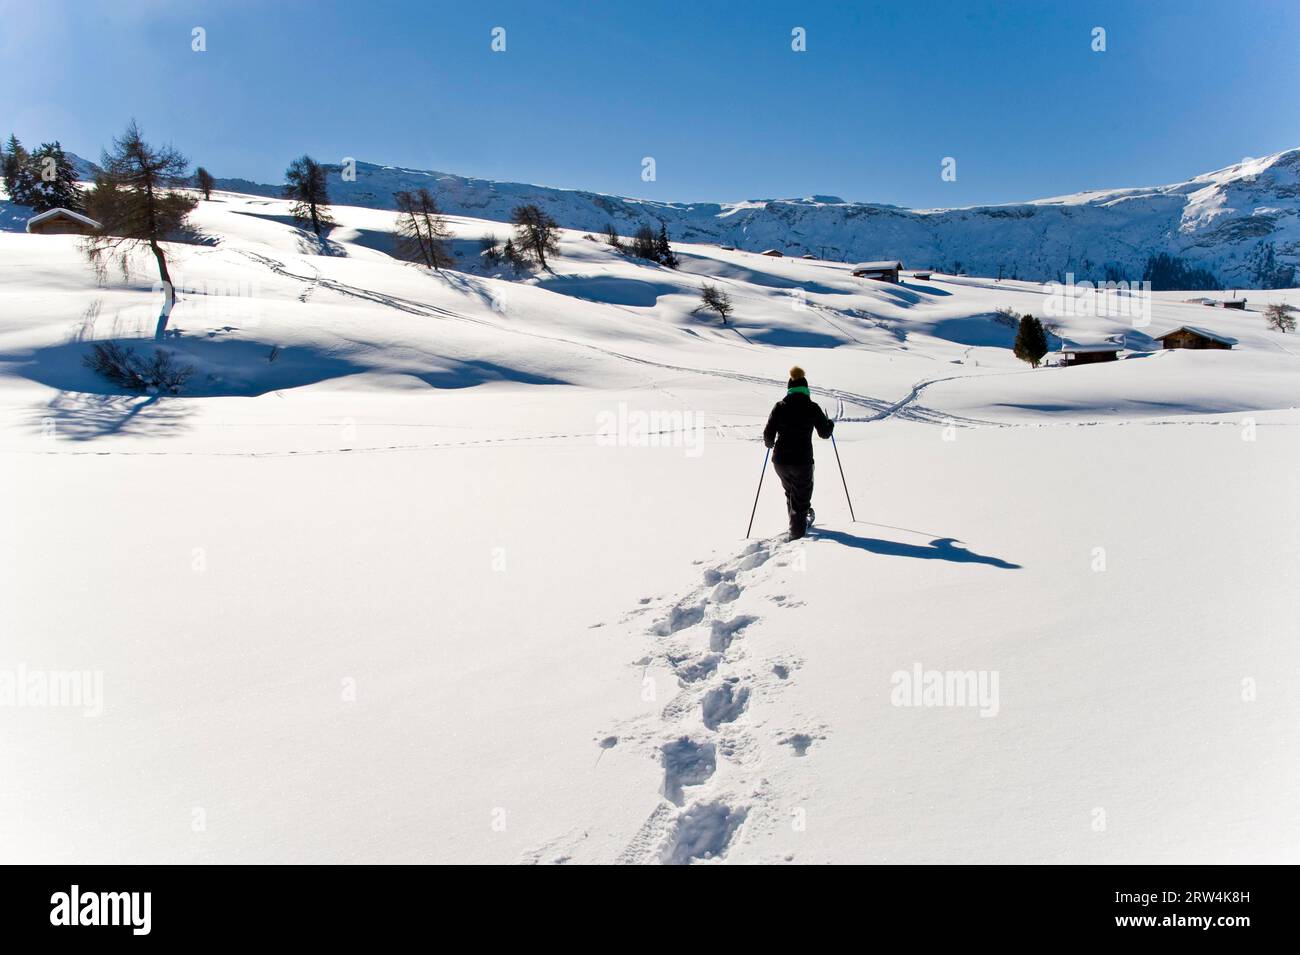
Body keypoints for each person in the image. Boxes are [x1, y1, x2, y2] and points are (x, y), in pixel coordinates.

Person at [762, 365, 834, 540]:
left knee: (792, 494)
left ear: (790, 389)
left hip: (780, 461)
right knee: (800, 499)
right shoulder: (812, 407)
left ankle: (798, 522)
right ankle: (797, 537)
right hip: (802, 461)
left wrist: (770, 442)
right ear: (806, 389)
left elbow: (767, 436)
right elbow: (825, 433)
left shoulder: (780, 406)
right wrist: (830, 424)